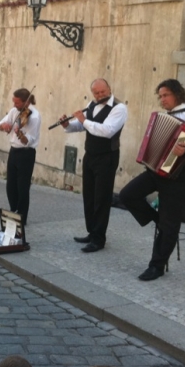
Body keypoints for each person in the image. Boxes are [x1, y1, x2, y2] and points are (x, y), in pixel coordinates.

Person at [119, 79, 185, 281]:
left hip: (180, 176)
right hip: (157, 172)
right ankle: (157, 219)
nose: (162, 100)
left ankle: (157, 266)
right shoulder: (165, 116)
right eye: (160, 96)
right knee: (127, 195)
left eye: (166, 95)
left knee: (170, 224)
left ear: (177, 94)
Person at [59, 79, 128, 253]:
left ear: (109, 89)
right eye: (96, 93)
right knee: (89, 196)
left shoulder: (119, 108)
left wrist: (83, 120)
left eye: (102, 92)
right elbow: (83, 126)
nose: (100, 95)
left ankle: (99, 239)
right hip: (90, 155)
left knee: (102, 198)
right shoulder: (92, 104)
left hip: (107, 157)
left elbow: (107, 130)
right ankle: (91, 232)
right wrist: (68, 125)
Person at [0, 89, 41, 226]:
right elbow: (0, 124)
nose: (14, 105)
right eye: (14, 102)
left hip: (26, 153)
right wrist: (4, 126)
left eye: (17, 103)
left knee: (22, 188)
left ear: (26, 102)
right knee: (10, 186)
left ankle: (22, 218)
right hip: (13, 151)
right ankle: (13, 212)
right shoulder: (14, 111)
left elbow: (28, 140)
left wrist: (20, 134)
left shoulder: (34, 116)